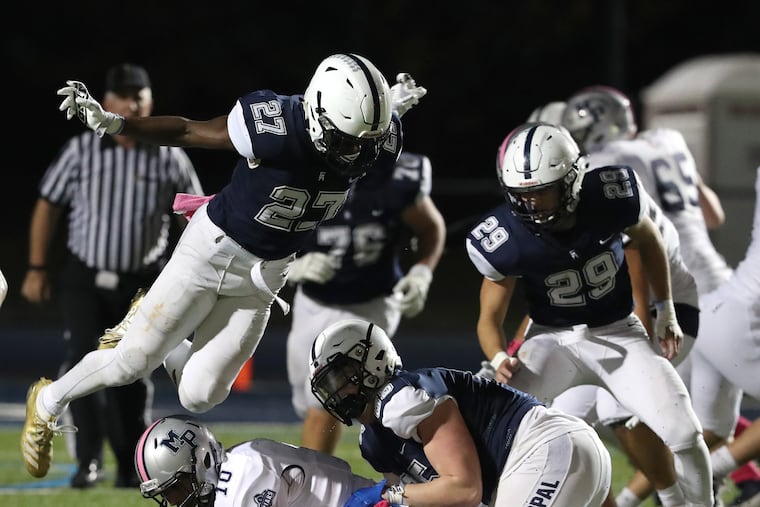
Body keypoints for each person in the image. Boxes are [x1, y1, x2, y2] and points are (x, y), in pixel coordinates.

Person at [21, 52, 426, 481]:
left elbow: (368, 128)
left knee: (200, 396)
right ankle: (48, 401)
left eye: (364, 143)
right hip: (211, 249)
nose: (356, 156)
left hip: (264, 276)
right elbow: (189, 130)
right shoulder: (276, 126)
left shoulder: (372, 138)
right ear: (317, 114)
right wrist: (117, 123)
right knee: (129, 364)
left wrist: (392, 107)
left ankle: (155, 325)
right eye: (346, 141)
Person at [467, 122, 713, 506]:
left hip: (618, 331)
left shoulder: (610, 196)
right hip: (550, 341)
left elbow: (649, 241)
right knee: (490, 435)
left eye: (543, 192)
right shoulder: (506, 236)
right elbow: (488, 318)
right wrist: (499, 356)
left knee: (685, 434)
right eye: (523, 195)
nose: (531, 204)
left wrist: (665, 309)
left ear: (572, 181)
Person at [562, 85, 760, 507]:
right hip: (725, 290)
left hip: (673, 297)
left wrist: (640, 309)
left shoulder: (602, 163)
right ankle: (686, 495)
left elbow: (636, 241)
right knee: (706, 430)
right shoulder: (667, 140)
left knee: (615, 412)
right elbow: (713, 214)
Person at [20, 63, 203, 488]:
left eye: (139, 95)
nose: (131, 102)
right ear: (107, 103)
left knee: (134, 371)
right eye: (123, 95)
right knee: (84, 361)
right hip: (86, 276)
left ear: (150, 103)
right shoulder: (82, 150)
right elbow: (48, 204)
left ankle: (128, 463)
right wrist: (36, 267)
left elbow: (194, 217)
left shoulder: (169, 154)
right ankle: (87, 461)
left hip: (142, 283)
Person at [307, 318, 611, 507]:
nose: (337, 393)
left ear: (369, 361)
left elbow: (464, 488)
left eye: (341, 378)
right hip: (549, 465)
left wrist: (387, 496)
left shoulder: (400, 399)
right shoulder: (374, 441)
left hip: (544, 451)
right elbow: (439, 499)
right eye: (328, 387)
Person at [285, 149, 446, 454]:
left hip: (373, 304)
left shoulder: (394, 176)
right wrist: (289, 266)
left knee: (331, 398)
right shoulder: (300, 171)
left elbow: (430, 227)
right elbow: (264, 232)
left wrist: (423, 271)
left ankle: (315, 484)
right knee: (307, 399)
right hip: (315, 303)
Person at [134, 414, 380, 507]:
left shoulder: (244, 475)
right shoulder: (238, 461)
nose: (174, 502)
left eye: (176, 489)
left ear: (203, 461)